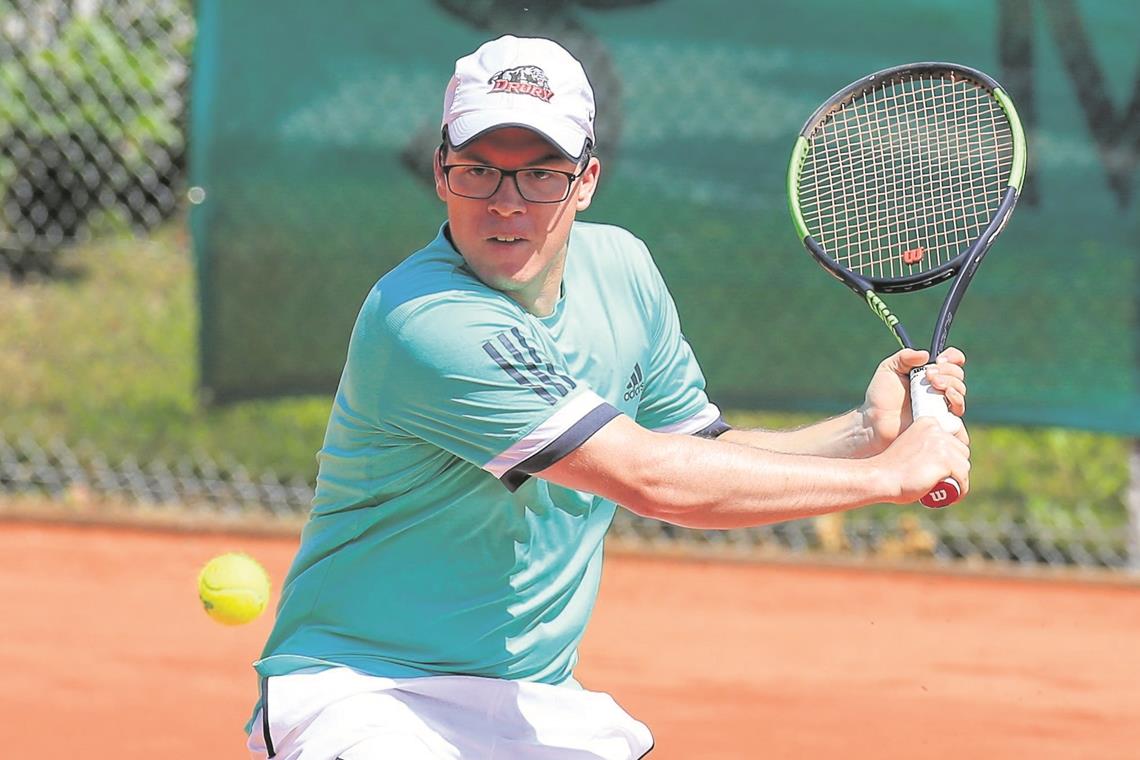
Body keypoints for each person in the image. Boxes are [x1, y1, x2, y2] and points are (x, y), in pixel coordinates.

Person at [246, 35, 970, 760]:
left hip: (534, 697)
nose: (507, 203)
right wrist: (885, 476)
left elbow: (697, 455)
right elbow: (650, 480)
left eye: (540, 174)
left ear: (586, 179)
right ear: (441, 173)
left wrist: (864, 433)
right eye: (479, 171)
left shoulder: (622, 269)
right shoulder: (426, 320)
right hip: (369, 694)